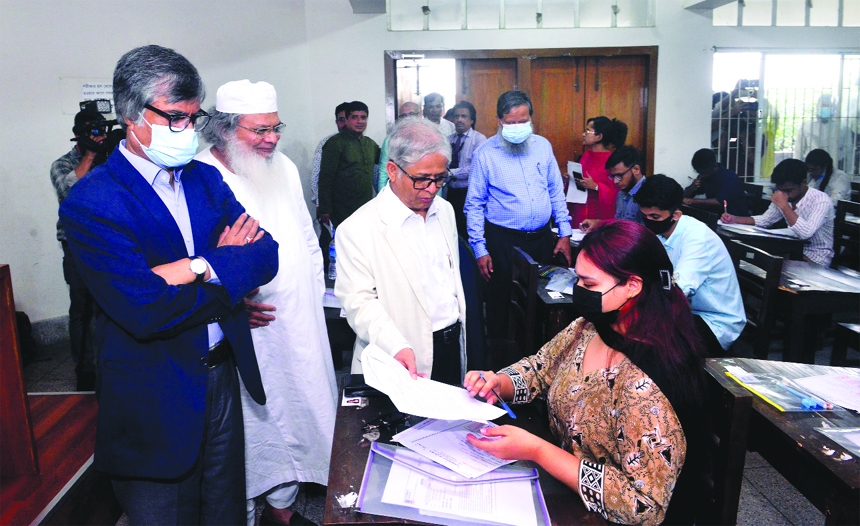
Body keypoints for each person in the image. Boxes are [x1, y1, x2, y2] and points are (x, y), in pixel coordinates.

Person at [59, 45, 279, 525]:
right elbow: (145, 310)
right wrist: (222, 270)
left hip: (223, 375)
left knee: (224, 514)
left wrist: (195, 267)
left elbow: (266, 254)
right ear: (133, 117)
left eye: (193, 118)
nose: (187, 131)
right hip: (155, 391)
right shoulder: (93, 201)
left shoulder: (203, 178)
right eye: (176, 118)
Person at [464, 220, 706, 525]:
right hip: (568, 493)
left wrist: (538, 451)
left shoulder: (645, 383)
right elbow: (539, 370)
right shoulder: (591, 327)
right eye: (577, 280)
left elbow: (642, 506)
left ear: (633, 285)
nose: (577, 291)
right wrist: (498, 382)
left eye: (589, 285)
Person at [196, 79, 336, 526]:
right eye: (259, 131)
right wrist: (231, 305)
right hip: (248, 328)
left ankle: (284, 509)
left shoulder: (286, 167)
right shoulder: (202, 177)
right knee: (257, 424)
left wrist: (314, 297)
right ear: (223, 130)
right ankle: (248, 513)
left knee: (299, 408)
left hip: (300, 319)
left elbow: (307, 238)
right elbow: (195, 263)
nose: (272, 139)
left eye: (276, 128)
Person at [335, 118, 466, 385]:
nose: (431, 189)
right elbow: (358, 303)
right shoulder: (358, 228)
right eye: (421, 180)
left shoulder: (446, 211)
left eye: (440, 178)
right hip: (397, 354)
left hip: (451, 344)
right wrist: (395, 345)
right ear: (392, 170)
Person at [464, 90, 572, 340]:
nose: (516, 127)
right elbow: (474, 205)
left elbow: (556, 191)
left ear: (531, 119)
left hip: (541, 240)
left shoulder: (543, 147)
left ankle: (537, 361)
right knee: (501, 306)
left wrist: (564, 233)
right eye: (510, 123)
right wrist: (480, 249)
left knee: (541, 304)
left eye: (522, 121)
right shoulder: (485, 153)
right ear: (499, 121)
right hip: (503, 241)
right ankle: (502, 366)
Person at [634, 175, 745, 356]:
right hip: (688, 311)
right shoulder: (662, 231)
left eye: (654, 216)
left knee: (645, 343)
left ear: (676, 215)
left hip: (714, 321)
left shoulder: (697, 239)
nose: (648, 221)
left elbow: (677, 291)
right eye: (644, 215)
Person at [50, 108, 109, 390]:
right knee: (82, 309)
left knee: (109, 305)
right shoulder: (62, 164)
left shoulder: (111, 158)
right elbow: (68, 193)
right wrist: (89, 154)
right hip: (75, 244)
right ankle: (84, 371)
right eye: (90, 131)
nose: (97, 136)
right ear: (77, 135)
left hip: (107, 242)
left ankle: (110, 368)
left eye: (99, 129)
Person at [723, 158, 834, 267]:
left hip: (815, 258)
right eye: (780, 189)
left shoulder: (821, 200)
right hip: (789, 250)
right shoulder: (784, 195)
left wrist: (784, 206)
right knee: (746, 259)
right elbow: (765, 220)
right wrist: (735, 219)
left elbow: (806, 233)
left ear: (803, 183)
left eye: (788, 190)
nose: (783, 194)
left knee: (763, 266)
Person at [318, 100, 380, 228]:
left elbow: (385, 160)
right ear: (346, 120)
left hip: (365, 207)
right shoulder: (335, 143)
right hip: (341, 210)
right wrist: (325, 209)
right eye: (354, 117)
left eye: (363, 117)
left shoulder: (370, 144)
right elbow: (325, 178)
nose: (360, 121)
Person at [568, 116, 627, 227]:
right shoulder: (585, 156)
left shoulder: (611, 160)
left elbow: (618, 192)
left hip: (598, 215)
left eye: (587, 131)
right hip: (579, 210)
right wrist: (571, 179)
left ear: (599, 136)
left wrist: (596, 186)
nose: (583, 134)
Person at [312, 102, 348, 273]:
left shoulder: (363, 143)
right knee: (331, 246)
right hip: (331, 208)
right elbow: (318, 176)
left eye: (346, 119)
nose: (344, 124)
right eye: (341, 120)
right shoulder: (328, 143)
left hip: (354, 206)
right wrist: (322, 206)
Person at [579, 146, 646, 232]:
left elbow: (645, 234)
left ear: (636, 169)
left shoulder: (647, 193)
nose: (615, 181)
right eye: (612, 176)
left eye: (619, 176)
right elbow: (618, 224)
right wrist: (598, 224)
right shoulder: (621, 194)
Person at [446, 100, 487, 239]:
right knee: (451, 232)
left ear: (472, 120)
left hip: (470, 194)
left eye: (464, 116)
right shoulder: (447, 140)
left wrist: (450, 173)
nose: (459, 120)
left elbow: (475, 168)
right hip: (449, 193)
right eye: (456, 116)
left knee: (468, 233)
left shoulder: (479, 140)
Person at [684, 148, 748, 216]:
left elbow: (720, 202)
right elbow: (686, 195)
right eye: (699, 172)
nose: (701, 176)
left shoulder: (729, 177)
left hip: (736, 219)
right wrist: (692, 188)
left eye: (704, 173)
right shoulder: (705, 175)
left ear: (714, 166)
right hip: (716, 216)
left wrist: (691, 201)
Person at [377, 101, 422, 192]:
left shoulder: (430, 138)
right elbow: (383, 172)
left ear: (420, 115)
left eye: (411, 114)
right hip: (399, 191)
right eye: (403, 116)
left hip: (424, 187)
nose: (407, 118)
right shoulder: (391, 140)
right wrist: (381, 195)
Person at [794, 94, 848, 166]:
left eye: (828, 105)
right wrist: (796, 168)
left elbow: (849, 151)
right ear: (817, 106)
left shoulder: (842, 128)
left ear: (834, 108)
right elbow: (798, 150)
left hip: (835, 166)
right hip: (812, 167)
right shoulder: (806, 126)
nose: (825, 108)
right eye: (823, 105)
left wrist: (850, 170)